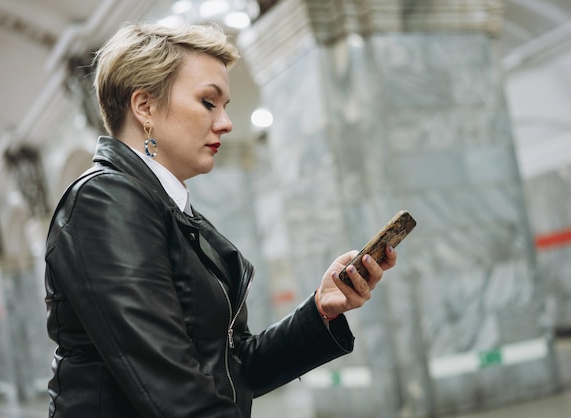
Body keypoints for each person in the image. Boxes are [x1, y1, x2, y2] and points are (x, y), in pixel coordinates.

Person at [44, 22, 397, 418]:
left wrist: (321, 311)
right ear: (144, 106)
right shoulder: (106, 201)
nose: (226, 122)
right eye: (209, 102)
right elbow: (173, 392)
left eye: (226, 106)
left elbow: (232, 368)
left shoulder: (169, 209)